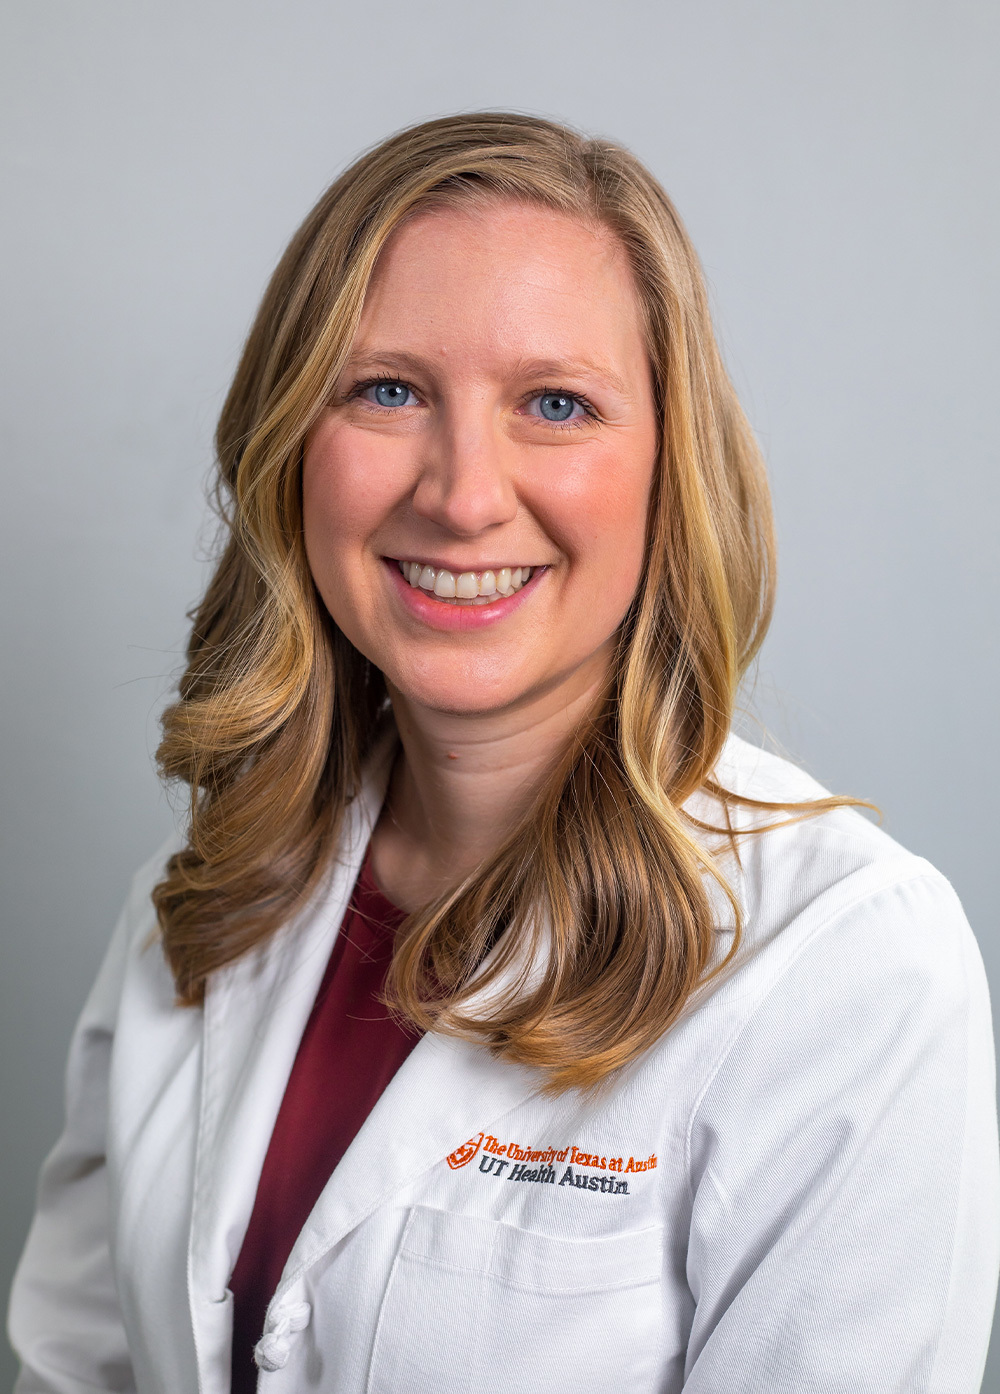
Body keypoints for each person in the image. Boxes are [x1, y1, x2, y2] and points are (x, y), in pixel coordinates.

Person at [7, 112, 998, 1393]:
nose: (464, 492)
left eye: (555, 402)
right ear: (288, 450)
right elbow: (72, 1367)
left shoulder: (849, 967)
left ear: (664, 470)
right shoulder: (193, 903)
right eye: (388, 389)